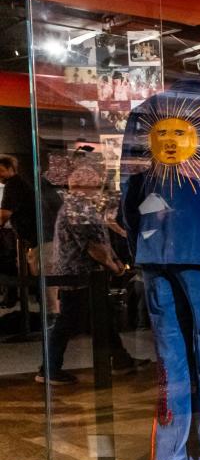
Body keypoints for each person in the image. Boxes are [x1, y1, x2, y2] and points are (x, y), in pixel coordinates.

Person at [38, 165, 143, 385]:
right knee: (67, 322)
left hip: (83, 275)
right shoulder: (78, 208)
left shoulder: (81, 206)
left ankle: (121, 360)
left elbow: (100, 238)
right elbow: (92, 245)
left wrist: (114, 260)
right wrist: (114, 266)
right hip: (79, 275)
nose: (99, 189)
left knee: (102, 318)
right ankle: (49, 369)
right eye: (95, 184)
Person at [0, 154, 38, 250]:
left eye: (1, 170)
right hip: (36, 236)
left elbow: (4, 215)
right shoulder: (21, 181)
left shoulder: (12, 184)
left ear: (10, 169)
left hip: (32, 238)